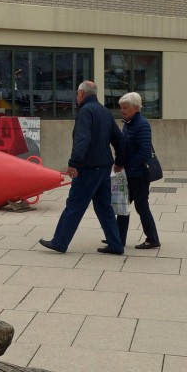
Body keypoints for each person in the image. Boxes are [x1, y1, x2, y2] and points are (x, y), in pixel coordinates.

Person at [39, 80, 124, 255]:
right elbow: (119, 138)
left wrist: (73, 163)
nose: (76, 97)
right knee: (104, 207)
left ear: (82, 94)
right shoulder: (104, 111)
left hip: (88, 167)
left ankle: (60, 242)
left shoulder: (85, 112)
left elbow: (82, 139)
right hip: (104, 166)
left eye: (77, 94)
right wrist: (119, 160)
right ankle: (116, 244)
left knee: (75, 205)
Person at [118, 92, 161, 249]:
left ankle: (152, 239)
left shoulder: (142, 124)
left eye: (126, 108)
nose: (122, 110)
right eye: (121, 108)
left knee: (141, 206)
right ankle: (118, 238)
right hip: (129, 173)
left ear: (136, 108)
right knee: (122, 205)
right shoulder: (127, 123)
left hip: (139, 174)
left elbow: (144, 152)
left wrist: (128, 165)